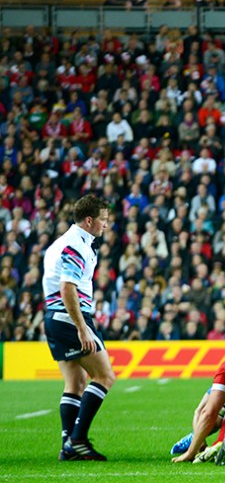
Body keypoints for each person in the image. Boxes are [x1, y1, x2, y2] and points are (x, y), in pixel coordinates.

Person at [43, 195, 115, 461]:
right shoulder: (75, 245)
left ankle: (67, 446)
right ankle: (78, 439)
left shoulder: (60, 243)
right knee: (104, 376)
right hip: (70, 317)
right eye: (103, 220)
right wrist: (82, 328)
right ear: (89, 220)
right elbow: (67, 287)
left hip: (54, 316)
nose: (105, 225)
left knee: (75, 383)